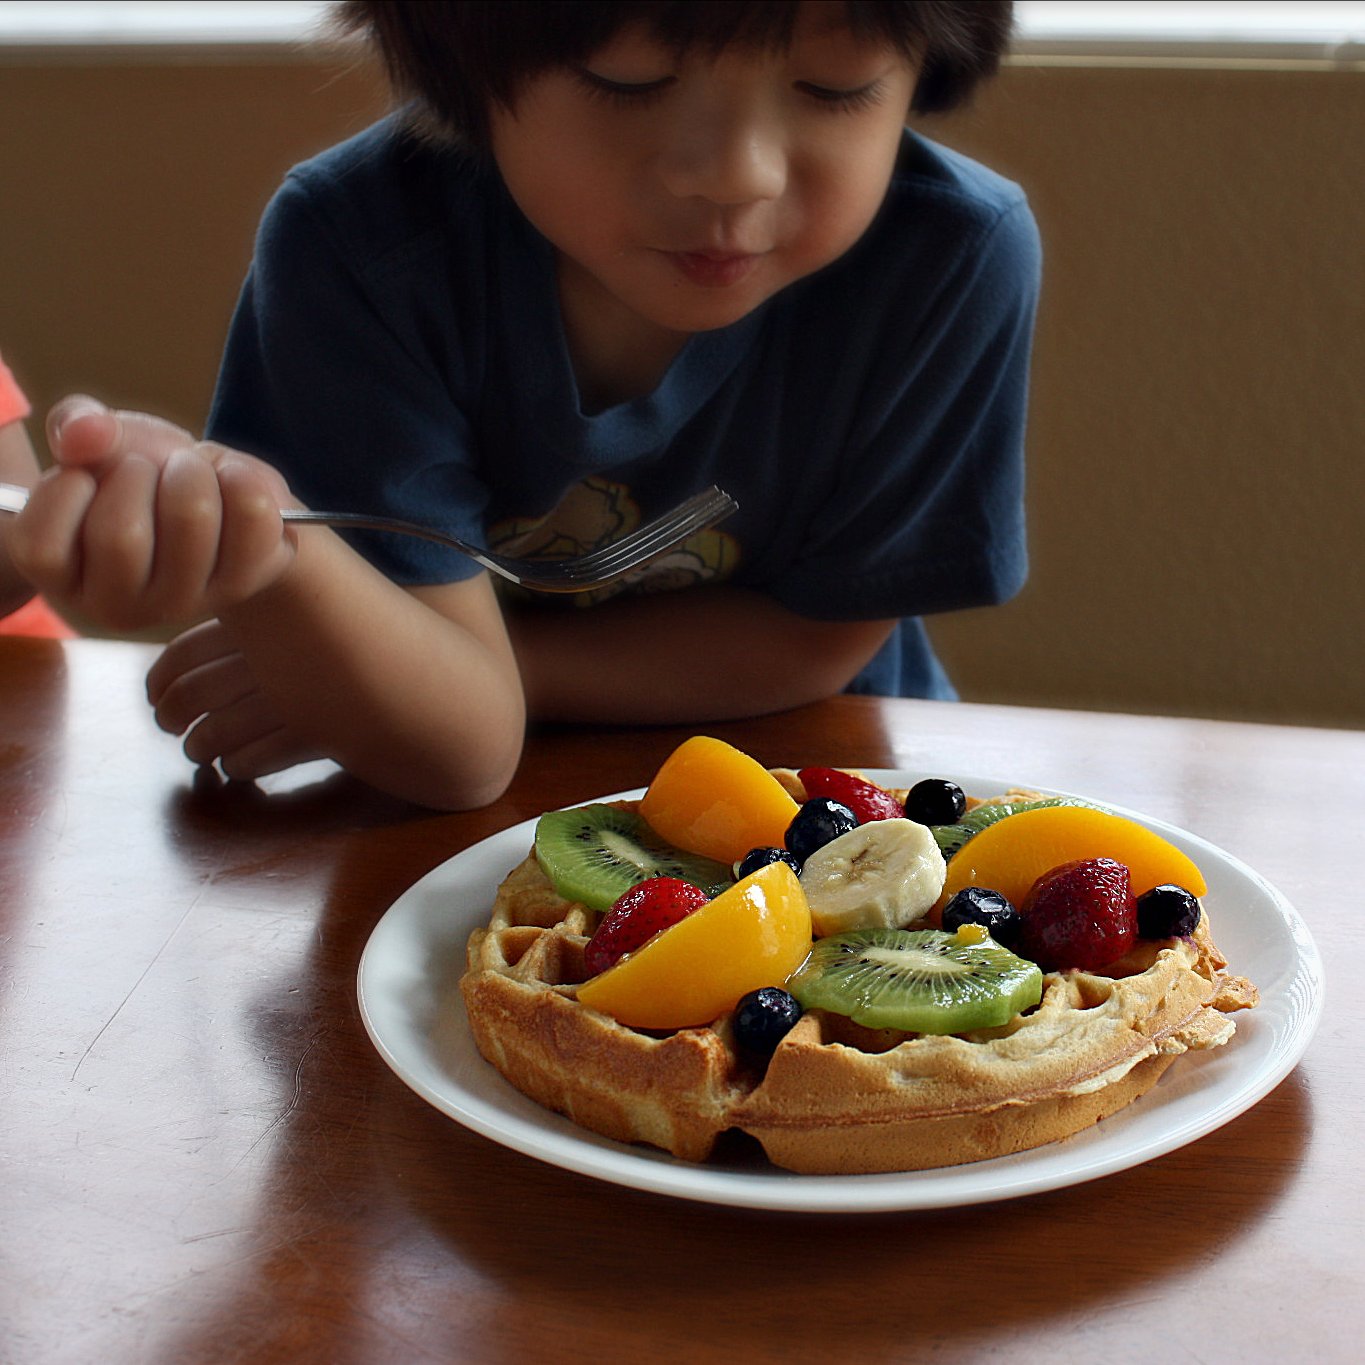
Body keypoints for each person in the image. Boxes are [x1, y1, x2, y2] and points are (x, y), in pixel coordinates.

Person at [8, 0, 1039, 810]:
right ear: (464, 60)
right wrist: (279, 568)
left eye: (835, 84)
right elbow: (462, 755)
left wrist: (474, 674)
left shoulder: (950, 259)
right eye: (627, 78)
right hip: (446, 848)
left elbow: (818, 641)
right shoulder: (363, 256)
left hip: (821, 780)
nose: (737, 173)